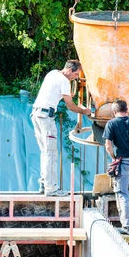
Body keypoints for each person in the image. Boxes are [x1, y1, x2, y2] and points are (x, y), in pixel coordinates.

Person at [32, 60, 91, 196]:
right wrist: (84, 111)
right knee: (51, 152)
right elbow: (70, 105)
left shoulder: (52, 73)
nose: (76, 77)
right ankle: (51, 188)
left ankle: (43, 183)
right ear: (69, 70)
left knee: (45, 151)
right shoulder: (64, 81)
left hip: (36, 114)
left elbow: (57, 93)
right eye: (76, 74)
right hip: (46, 117)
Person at [103, 99, 129, 235]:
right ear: (127, 110)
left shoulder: (111, 123)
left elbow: (108, 145)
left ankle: (127, 226)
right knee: (128, 190)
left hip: (124, 162)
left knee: (122, 193)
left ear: (114, 111)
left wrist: (113, 158)